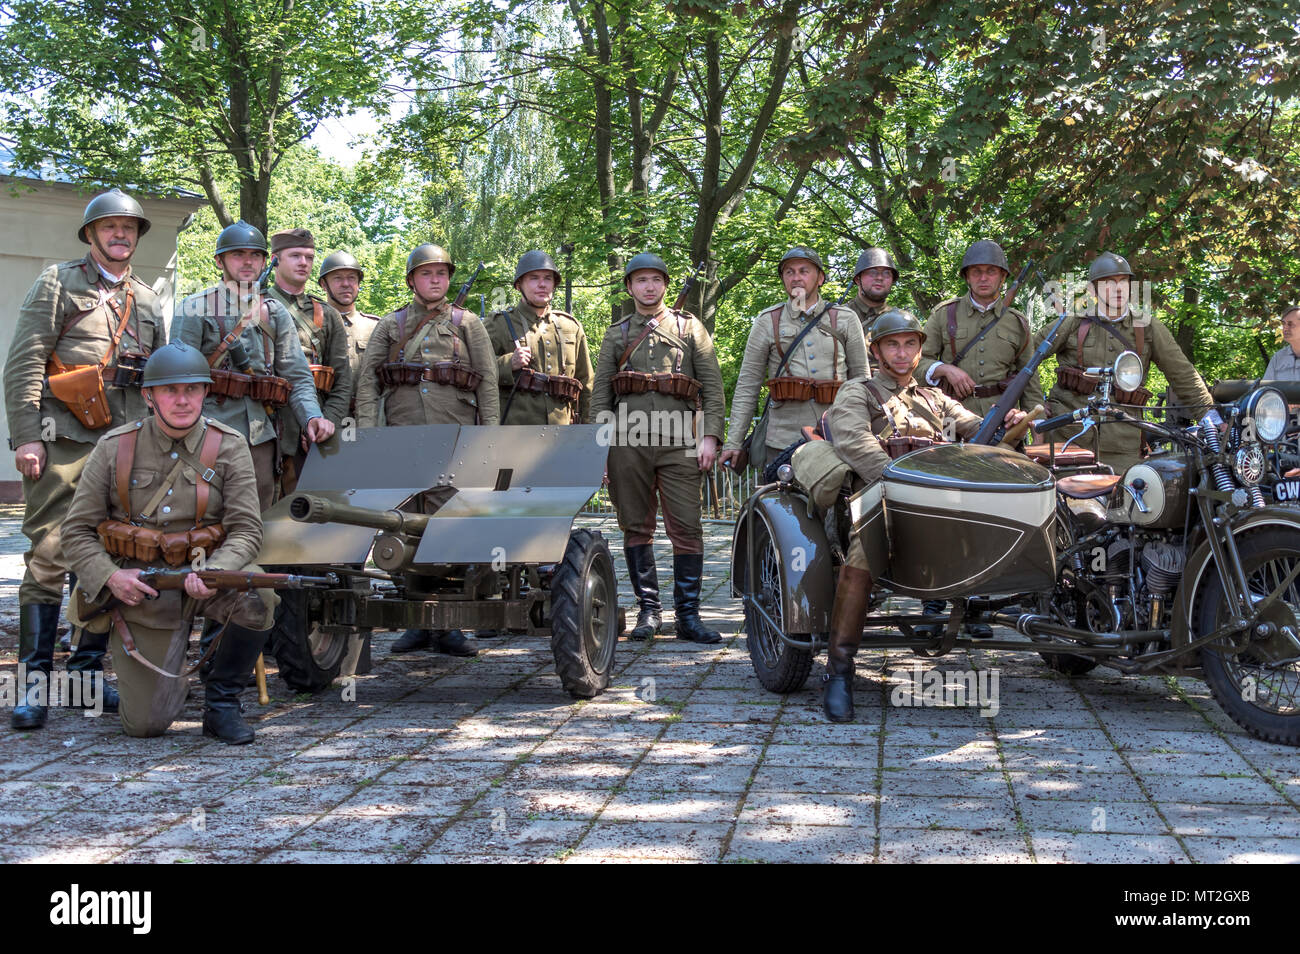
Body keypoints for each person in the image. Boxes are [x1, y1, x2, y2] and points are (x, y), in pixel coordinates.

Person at [3, 187, 166, 729]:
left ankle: (87, 678)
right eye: (110, 227)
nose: (121, 235)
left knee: (110, 558)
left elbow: (156, 384)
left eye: (129, 228)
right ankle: (32, 684)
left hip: (121, 450)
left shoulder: (145, 299)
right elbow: (24, 361)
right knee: (50, 555)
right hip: (64, 444)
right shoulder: (59, 282)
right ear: (92, 234)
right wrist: (26, 436)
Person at [60, 343, 277, 743]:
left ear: (205, 393)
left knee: (257, 595)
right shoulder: (114, 447)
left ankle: (222, 704)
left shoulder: (230, 445)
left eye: (192, 389)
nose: (182, 400)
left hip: (205, 576)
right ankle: (167, 679)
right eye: (170, 390)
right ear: (148, 396)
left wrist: (215, 570)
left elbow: (247, 528)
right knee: (144, 725)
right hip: (142, 587)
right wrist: (110, 578)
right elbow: (76, 530)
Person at [817, 310, 1024, 721]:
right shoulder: (857, 392)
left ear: (919, 350)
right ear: (876, 350)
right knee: (861, 559)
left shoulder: (934, 397)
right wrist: (899, 479)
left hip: (936, 499)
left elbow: (970, 424)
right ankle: (838, 671)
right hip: (878, 495)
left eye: (910, 343)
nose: (901, 352)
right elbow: (855, 441)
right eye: (892, 344)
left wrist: (1005, 423)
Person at [355, 243, 498, 657]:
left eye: (442, 273)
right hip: (402, 438)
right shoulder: (390, 326)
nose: (436, 280)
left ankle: (449, 625)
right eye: (427, 273)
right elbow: (368, 383)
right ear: (412, 280)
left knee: (448, 524)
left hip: (454, 439)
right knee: (403, 522)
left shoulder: (468, 324)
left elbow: (488, 382)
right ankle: (417, 621)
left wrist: (490, 439)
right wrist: (367, 435)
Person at [591, 253, 727, 643]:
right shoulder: (616, 333)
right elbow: (601, 394)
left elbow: (713, 388)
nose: (649, 287)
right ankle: (649, 612)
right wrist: (599, 447)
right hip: (627, 442)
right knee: (635, 526)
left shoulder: (689, 328)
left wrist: (710, 437)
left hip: (680, 441)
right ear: (630, 287)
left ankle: (689, 616)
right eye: (641, 280)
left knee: (687, 527)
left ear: (665, 285)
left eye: (656, 279)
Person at [916, 239, 1044, 638]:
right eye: (976, 271)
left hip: (1004, 429)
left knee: (993, 515)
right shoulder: (944, 316)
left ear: (1003, 277)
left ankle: (979, 605)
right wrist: (944, 369)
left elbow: (1031, 378)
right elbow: (912, 361)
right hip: (953, 422)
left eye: (991, 271)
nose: (983, 277)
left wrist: (1032, 418)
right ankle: (935, 602)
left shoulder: (1019, 323)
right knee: (946, 510)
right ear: (967, 277)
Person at [171, 220, 334, 512]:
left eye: (255, 255)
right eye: (238, 254)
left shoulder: (274, 313)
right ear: (219, 260)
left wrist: (311, 417)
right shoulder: (194, 307)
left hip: (260, 434)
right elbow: (176, 379)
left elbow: (296, 375)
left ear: (263, 261)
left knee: (256, 518)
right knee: (202, 515)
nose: (247, 262)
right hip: (207, 431)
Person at [1037, 251, 1216, 476]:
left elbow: (1184, 375)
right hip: (1069, 443)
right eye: (1109, 283)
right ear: (1092, 290)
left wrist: (1211, 419)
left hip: (1124, 447)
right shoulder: (1072, 323)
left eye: (1123, 281)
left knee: (1129, 505)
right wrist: (1034, 406)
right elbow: (1026, 359)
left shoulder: (1148, 327)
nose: (1118, 288)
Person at [719, 247, 867, 472]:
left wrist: (865, 433)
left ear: (820, 278)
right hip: (782, 440)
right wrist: (734, 442)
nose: (796, 277)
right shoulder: (767, 321)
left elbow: (862, 381)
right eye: (789, 272)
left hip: (837, 435)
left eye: (804, 271)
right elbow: (747, 386)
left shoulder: (845, 319)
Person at [265, 229, 353, 495]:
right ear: (275, 260)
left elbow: (342, 381)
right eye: (295, 256)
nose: (304, 262)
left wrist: (323, 423)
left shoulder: (327, 315)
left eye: (309, 257)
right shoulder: (256, 306)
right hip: (266, 426)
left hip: (312, 436)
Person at [484, 250, 594, 425]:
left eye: (548, 278)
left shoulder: (570, 326)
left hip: (562, 431)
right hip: (514, 430)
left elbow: (586, 382)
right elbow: (478, 373)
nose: (542, 284)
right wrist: (508, 364)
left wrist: (590, 430)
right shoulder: (498, 324)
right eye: (534, 278)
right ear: (519, 285)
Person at [317, 250, 381, 416]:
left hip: (366, 416)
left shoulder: (376, 326)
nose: (346, 284)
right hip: (324, 416)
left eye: (352, 278)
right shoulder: (313, 325)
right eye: (338, 278)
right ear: (324, 285)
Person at [847, 247, 899, 351]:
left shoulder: (899, 320)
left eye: (886, 273)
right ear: (858, 279)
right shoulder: (838, 317)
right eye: (872, 272)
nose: (879, 277)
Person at [1263, 306, 1300, 381]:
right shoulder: (1278, 358)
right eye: (1283, 324)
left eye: (1290, 324)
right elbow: (1267, 388)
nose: (1285, 328)